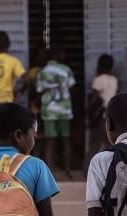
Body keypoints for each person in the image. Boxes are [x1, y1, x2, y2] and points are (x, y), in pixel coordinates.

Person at [37, 47, 77, 179]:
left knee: (50, 141)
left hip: (49, 110)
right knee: (65, 140)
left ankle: (49, 173)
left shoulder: (43, 71)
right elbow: (71, 87)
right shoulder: (66, 70)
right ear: (60, 55)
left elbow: (39, 89)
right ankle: (68, 172)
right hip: (64, 110)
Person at [88, 54, 119, 165]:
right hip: (111, 116)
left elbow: (94, 98)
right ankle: (113, 168)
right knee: (109, 144)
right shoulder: (114, 79)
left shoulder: (99, 79)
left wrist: (88, 112)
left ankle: (87, 170)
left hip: (100, 116)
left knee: (94, 145)